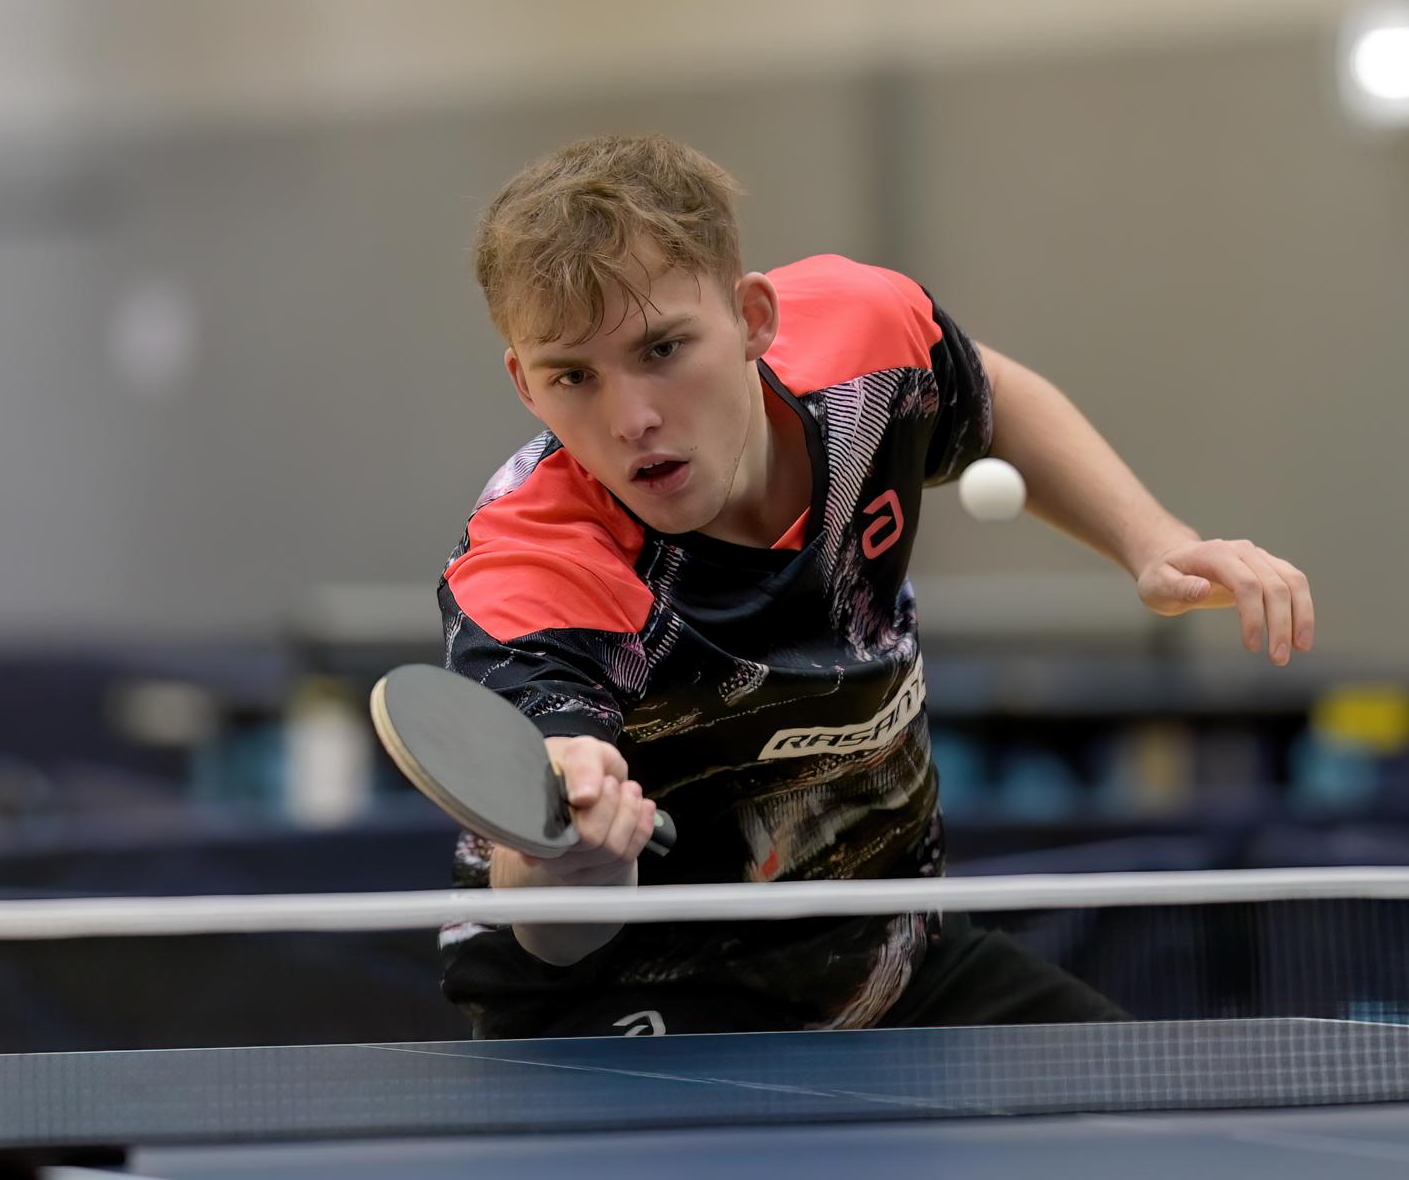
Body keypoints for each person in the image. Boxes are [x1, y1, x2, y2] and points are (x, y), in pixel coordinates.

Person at [435, 134, 1314, 1039]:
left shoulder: (862, 349)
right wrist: (572, 854)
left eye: (662, 348)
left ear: (753, 317)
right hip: (631, 1007)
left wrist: (1155, 544)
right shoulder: (528, 568)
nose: (631, 418)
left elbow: (987, 393)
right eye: (573, 376)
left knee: (1156, 1104)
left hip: (891, 957)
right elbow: (551, 933)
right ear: (526, 386)